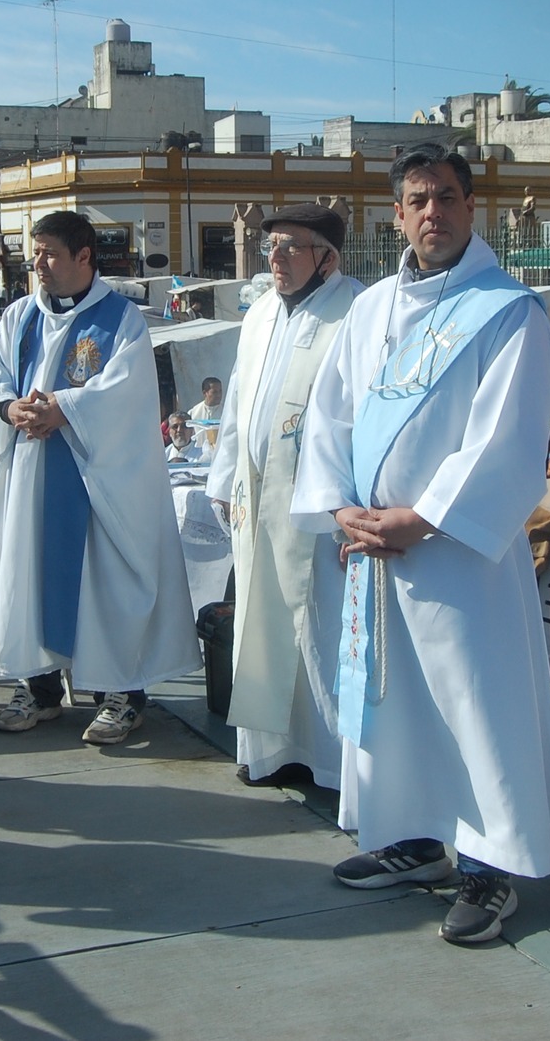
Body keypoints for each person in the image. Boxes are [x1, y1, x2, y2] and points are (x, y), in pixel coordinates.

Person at [289, 144, 550, 945]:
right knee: (397, 702)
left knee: (472, 706)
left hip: (459, 557)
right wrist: (343, 508)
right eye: (417, 200)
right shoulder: (372, 308)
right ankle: (413, 840)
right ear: (398, 213)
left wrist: (424, 517)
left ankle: (490, 870)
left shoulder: (509, 310)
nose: (432, 213)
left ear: (469, 206)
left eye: (445, 196)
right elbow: (330, 414)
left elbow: (508, 441)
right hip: (375, 551)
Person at [0, 209, 197, 745]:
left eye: (49, 252)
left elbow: (128, 394)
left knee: (104, 581)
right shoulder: (20, 316)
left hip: (97, 479)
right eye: (36, 251)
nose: (38, 263)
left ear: (84, 257)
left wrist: (65, 409)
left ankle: (120, 695)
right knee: (29, 571)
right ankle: (40, 687)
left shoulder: (122, 319)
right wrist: (10, 411)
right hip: (31, 473)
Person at [206, 200, 363, 789]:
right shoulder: (261, 313)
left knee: (316, 628)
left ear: (328, 258)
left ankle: (325, 761)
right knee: (259, 625)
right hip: (256, 497)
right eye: (271, 246)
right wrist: (224, 480)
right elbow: (241, 402)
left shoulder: (355, 314)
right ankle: (269, 752)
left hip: (319, 507)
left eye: (291, 246)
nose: (276, 257)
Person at [188, 376, 225, 451]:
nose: (218, 395)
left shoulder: (226, 411)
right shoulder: (193, 412)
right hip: (198, 453)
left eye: (220, 391)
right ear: (205, 393)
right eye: (215, 392)